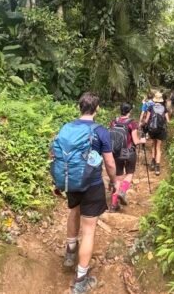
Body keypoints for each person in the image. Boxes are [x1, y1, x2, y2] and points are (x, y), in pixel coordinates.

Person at [51, 92, 117, 294]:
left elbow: (55, 155)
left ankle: (70, 251)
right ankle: (81, 280)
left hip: (71, 181)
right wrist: (113, 181)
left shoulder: (66, 128)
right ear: (97, 109)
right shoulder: (100, 131)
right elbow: (109, 162)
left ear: (79, 107)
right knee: (89, 229)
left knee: (74, 211)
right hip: (92, 184)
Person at [108, 103, 145, 212]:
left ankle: (113, 205)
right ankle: (123, 191)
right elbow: (135, 141)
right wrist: (142, 140)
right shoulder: (132, 123)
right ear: (130, 111)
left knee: (118, 177)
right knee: (129, 174)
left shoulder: (114, 122)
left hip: (117, 152)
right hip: (129, 152)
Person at [146, 91, 170, 176]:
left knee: (153, 145)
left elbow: (147, 120)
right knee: (158, 147)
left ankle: (153, 161)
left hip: (152, 130)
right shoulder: (164, 108)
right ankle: (157, 167)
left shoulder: (150, 107)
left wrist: (144, 126)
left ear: (154, 99)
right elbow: (168, 121)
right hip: (161, 130)